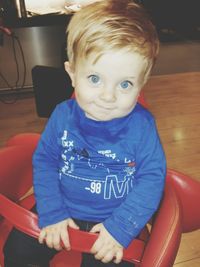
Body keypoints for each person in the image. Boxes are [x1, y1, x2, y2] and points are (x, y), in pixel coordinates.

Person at [3, 0, 166, 266]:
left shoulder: (142, 126)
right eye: (94, 79)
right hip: (62, 206)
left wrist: (120, 227)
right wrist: (52, 211)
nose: (108, 96)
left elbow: (152, 179)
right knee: (18, 251)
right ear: (72, 73)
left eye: (125, 84)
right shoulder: (62, 116)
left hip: (116, 218)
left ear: (141, 84)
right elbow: (45, 161)